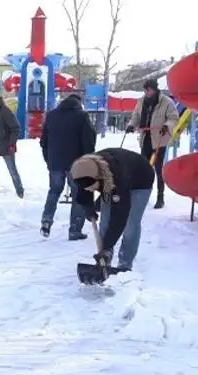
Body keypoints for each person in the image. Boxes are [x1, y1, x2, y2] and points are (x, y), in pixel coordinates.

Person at [70, 147, 155, 272]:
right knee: (105, 221)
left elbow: (120, 217)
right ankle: (105, 260)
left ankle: (125, 264)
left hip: (141, 181)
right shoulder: (82, 169)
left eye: (93, 187)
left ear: (99, 179)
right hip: (113, 178)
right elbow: (84, 190)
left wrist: (106, 245)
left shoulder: (117, 177)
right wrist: (89, 208)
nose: (91, 191)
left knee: (130, 224)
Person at [39, 93, 96, 240]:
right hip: (76, 164)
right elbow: (88, 141)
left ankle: (46, 221)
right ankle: (75, 229)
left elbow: (43, 141)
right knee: (78, 195)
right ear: (79, 103)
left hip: (55, 162)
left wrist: (48, 160)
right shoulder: (82, 116)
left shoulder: (51, 115)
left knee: (54, 191)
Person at [126, 78, 179, 209]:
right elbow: (136, 116)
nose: (147, 92)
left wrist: (167, 126)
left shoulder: (166, 102)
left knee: (158, 168)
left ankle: (160, 197)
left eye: (149, 90)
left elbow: (173, 118)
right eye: (145, 90)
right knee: (143, 168)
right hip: (146, 138)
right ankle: (142, 195)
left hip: (159, 139)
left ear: (155, 90)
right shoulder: (141, 101)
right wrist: (131, 125)